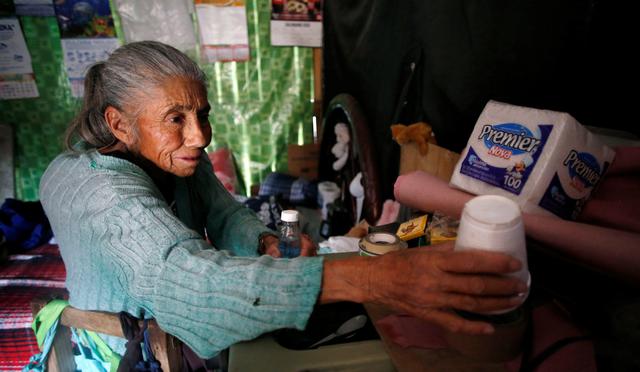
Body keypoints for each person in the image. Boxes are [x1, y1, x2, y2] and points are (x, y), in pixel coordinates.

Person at [39, 41, 526, 361]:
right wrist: (372, 277)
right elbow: (182, 280)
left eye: (202, 114)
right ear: (120, 124)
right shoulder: (97, 192)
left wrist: (265, 241)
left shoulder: (177, 159)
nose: (200, 136)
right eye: (176, 118)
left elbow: (224, 212)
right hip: (122, 353)